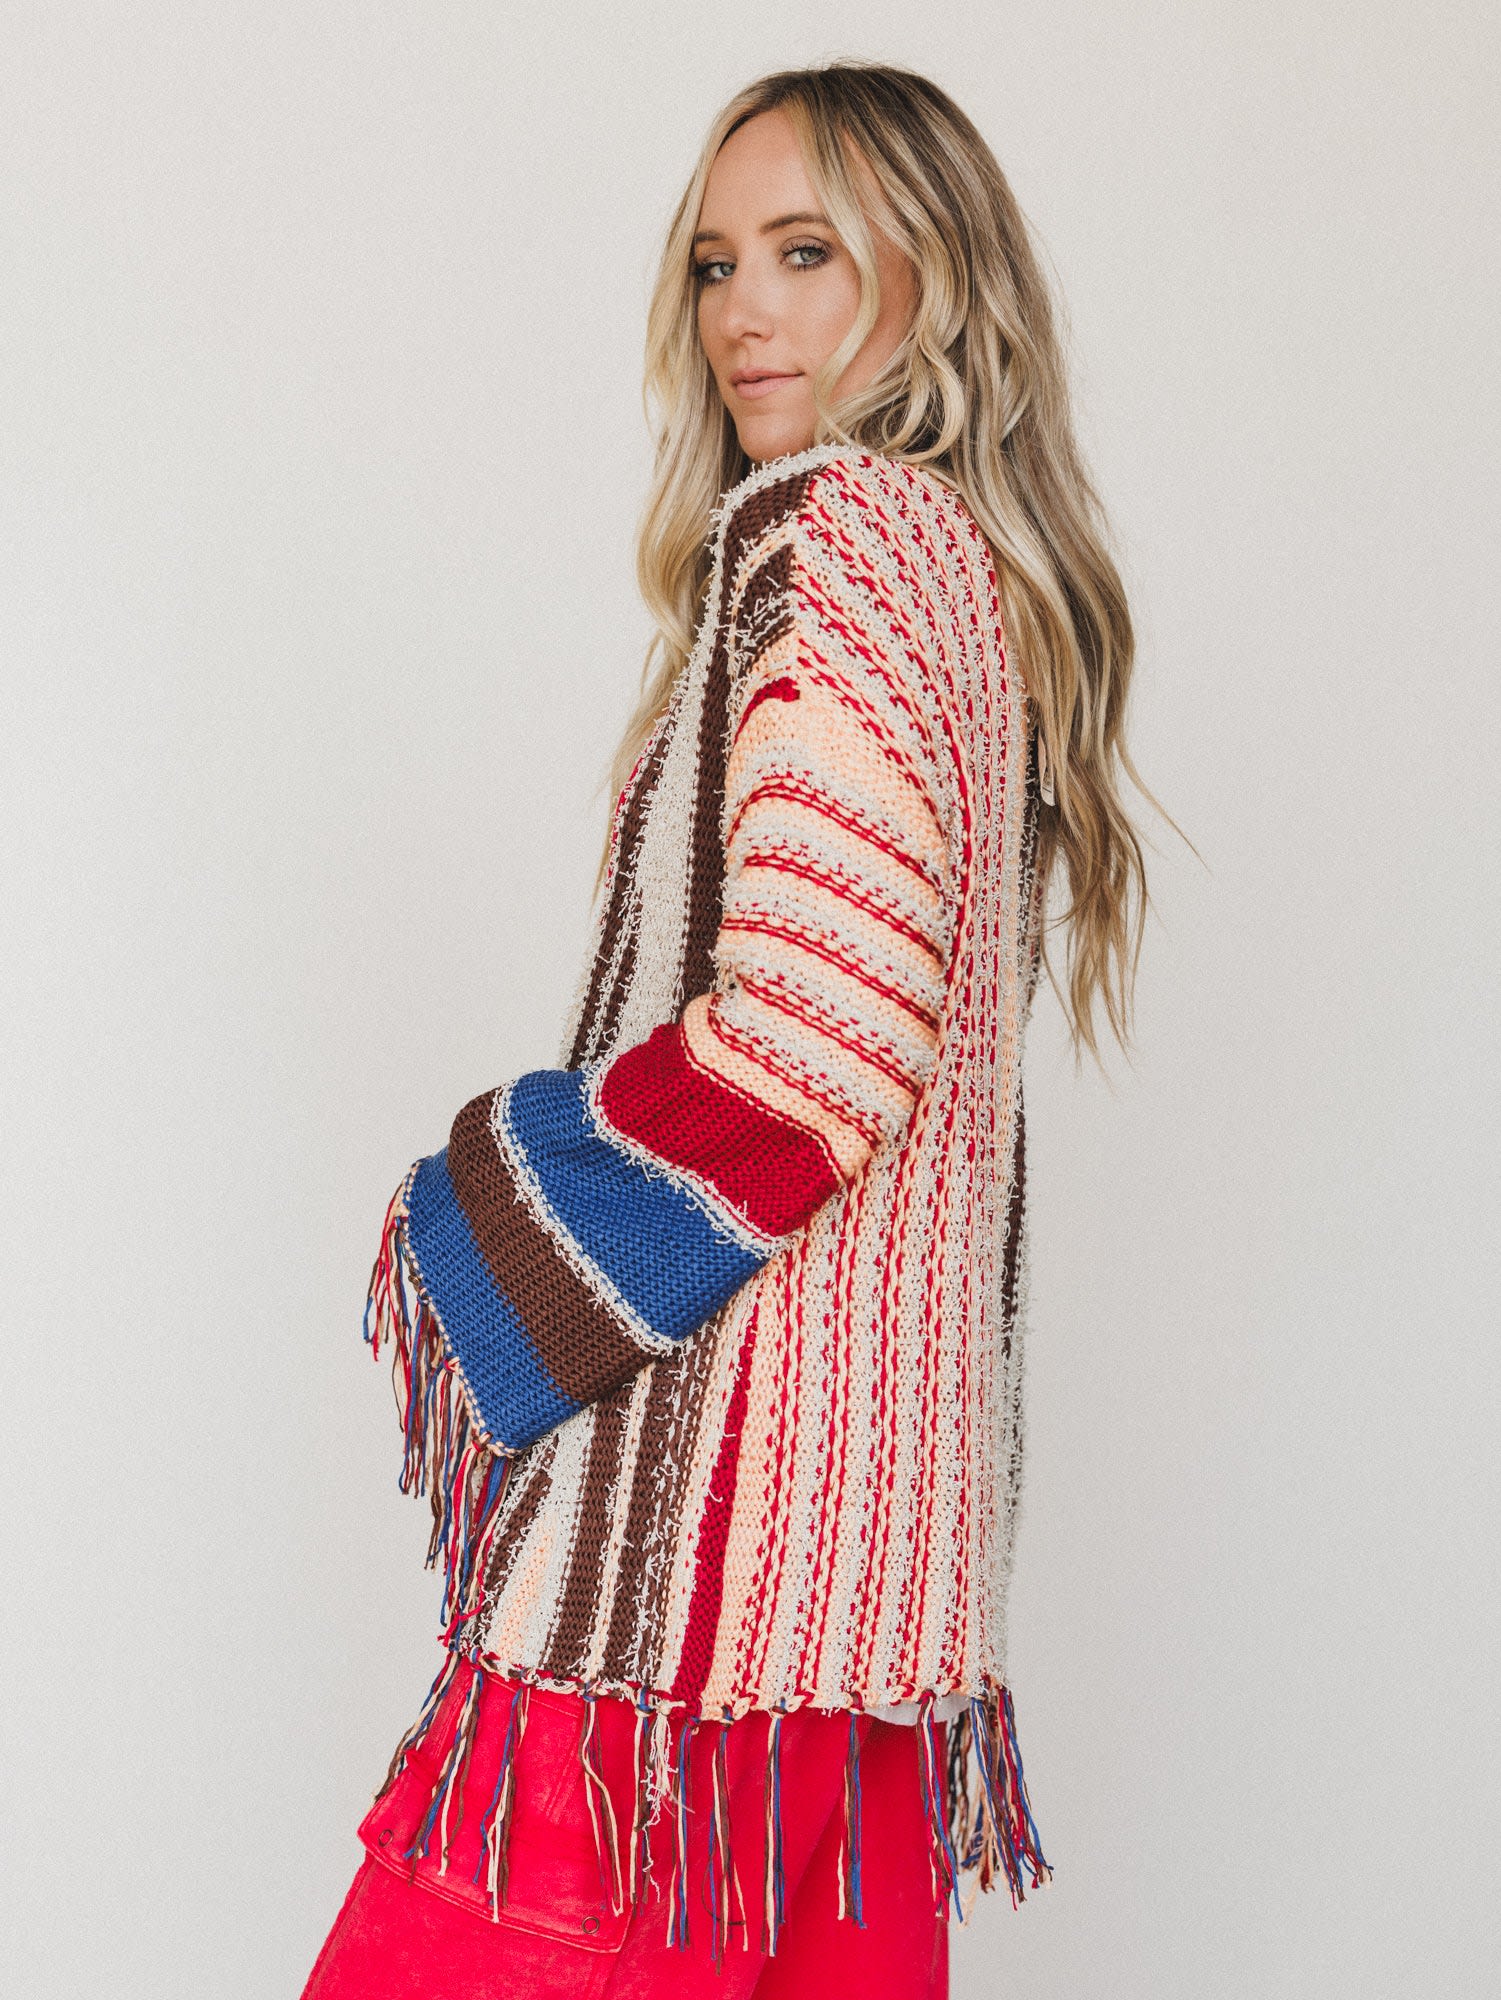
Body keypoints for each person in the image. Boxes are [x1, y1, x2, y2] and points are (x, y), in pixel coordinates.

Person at [300, 58, 1147, 2000]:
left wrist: (486, 1213)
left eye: (804, 252)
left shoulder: (831, 533)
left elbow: (820, 1032)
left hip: (684, 1606)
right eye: (712, 264)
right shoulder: (964, 577)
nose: (744, 312)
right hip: (864, 1624)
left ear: (936, 273)